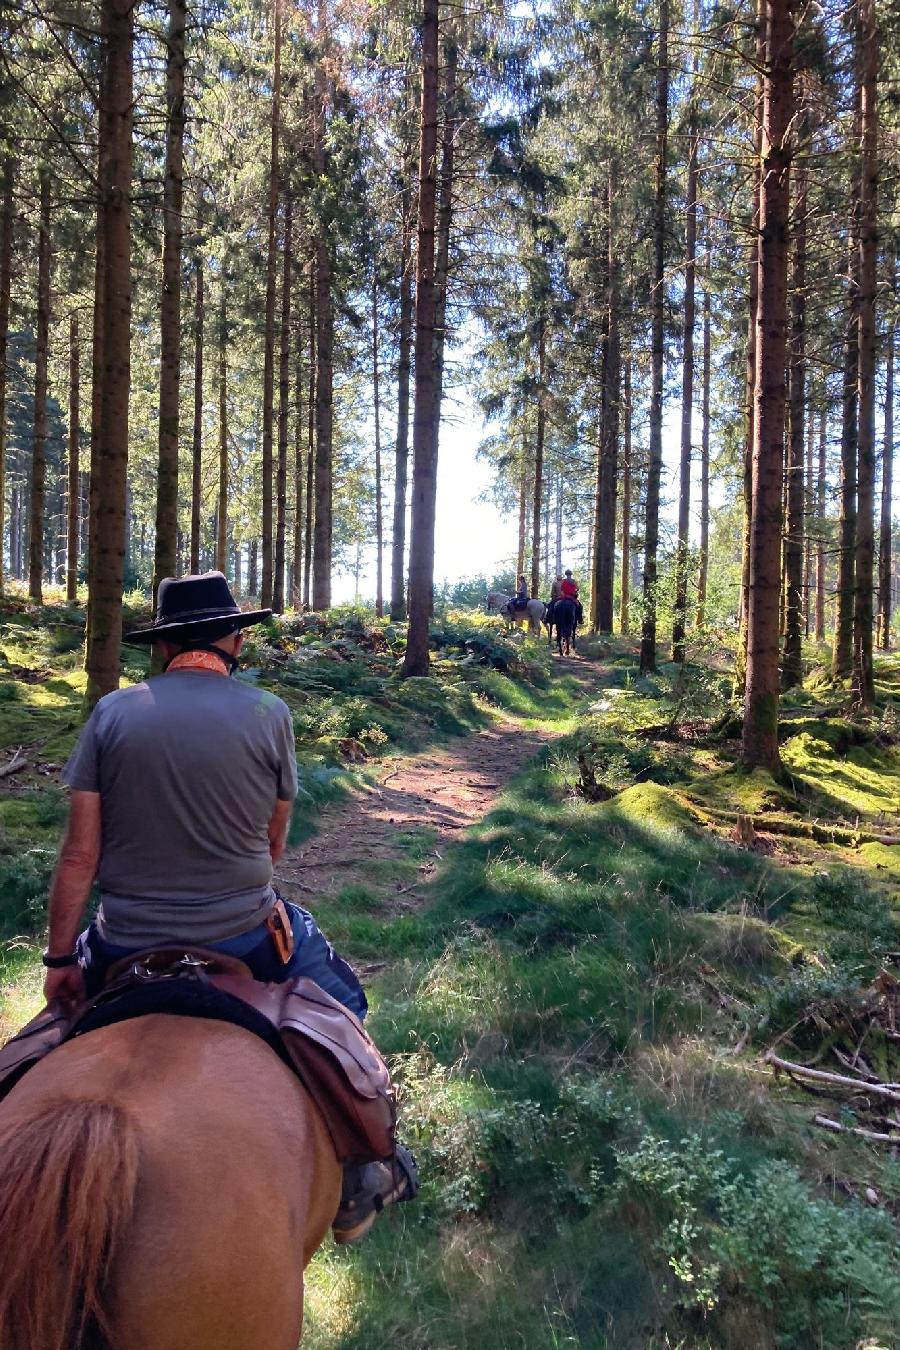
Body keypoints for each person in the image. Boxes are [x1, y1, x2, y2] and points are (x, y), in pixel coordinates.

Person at [41, 570, 416, 1244]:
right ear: (233, 640)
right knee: (345, 1006)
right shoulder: (268, 713)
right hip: (243, 936)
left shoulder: (112, 714)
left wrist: (61, 957)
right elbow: (274, 845)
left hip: (123, 941)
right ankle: (371, 1167)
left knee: (36, 1046)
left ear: (163, 646)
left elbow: (78, 857)